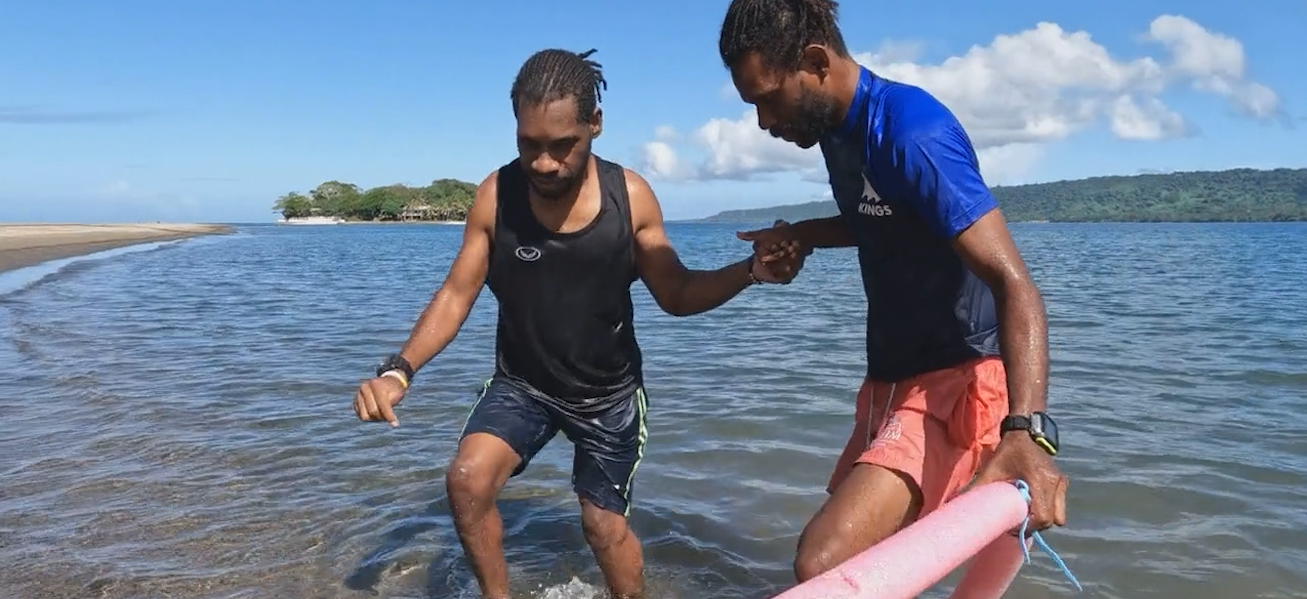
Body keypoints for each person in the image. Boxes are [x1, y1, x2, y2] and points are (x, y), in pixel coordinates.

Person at [351, 48, 802, 599]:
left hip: (608, 396)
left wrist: (752, 272)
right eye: (528, 145)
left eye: (562, 146)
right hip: (523, 384)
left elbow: (677, 294)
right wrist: (399, 370)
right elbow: (456, 293)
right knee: (466, 482)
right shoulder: (496, 195)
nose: (543, 163)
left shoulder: (629, 197)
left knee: (603, 528)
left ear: (595, 124)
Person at [715, 0, 1070, 583]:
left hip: (957, 380)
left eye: (767, 99)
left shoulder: (913, 132)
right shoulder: (833, 129)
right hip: (890, 380)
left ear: (813, 61)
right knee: (869, 561)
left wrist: (1026, 431)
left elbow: (1015, 283)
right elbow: (881, 217)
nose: (762, 122)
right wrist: (803, 236)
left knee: (823, 562)